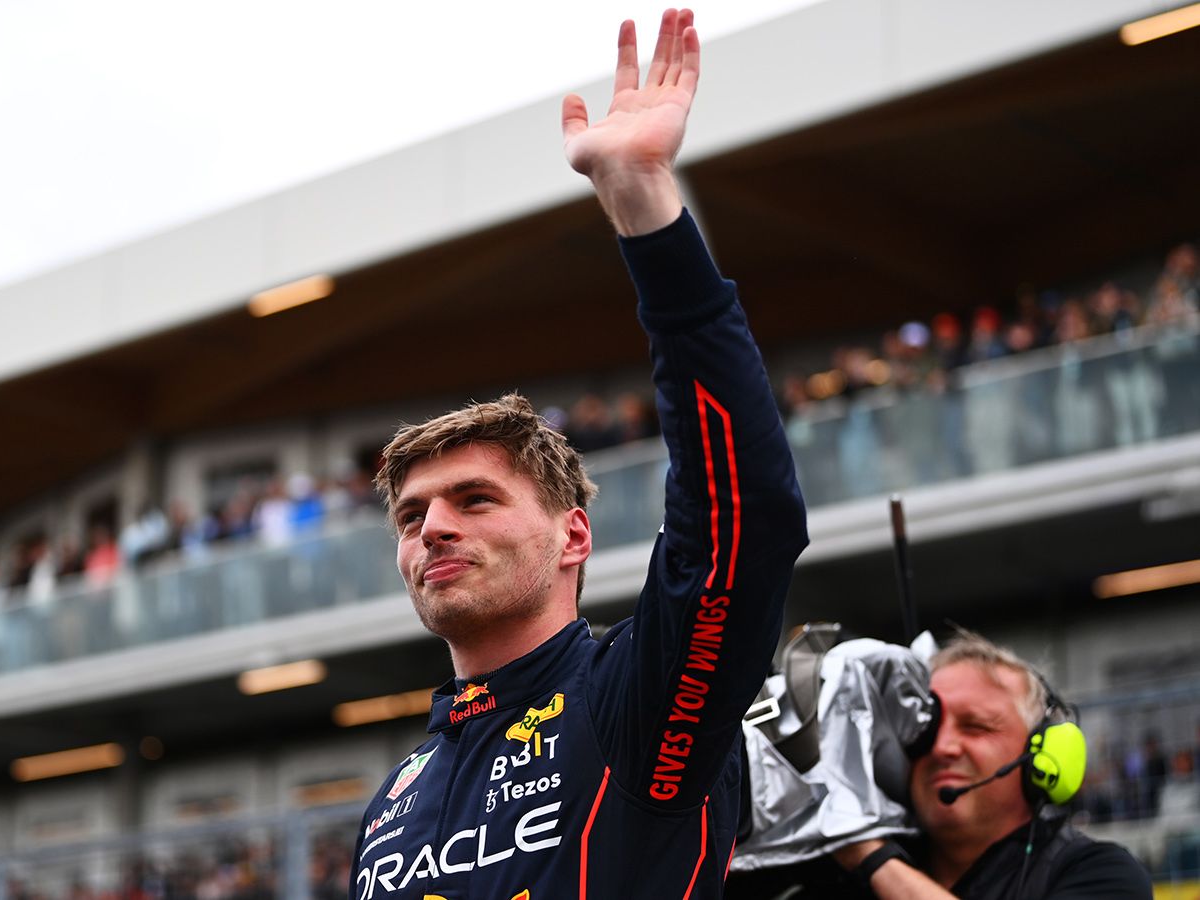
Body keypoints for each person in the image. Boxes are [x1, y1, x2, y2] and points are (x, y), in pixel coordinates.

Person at [349, 10, 808, 898]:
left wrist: (644, 206)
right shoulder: (393, 800)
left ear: (574, 536)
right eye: (411, 516)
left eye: (475, 499)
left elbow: (741, 522)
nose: (432, 529)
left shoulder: (634, 701)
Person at [831, 633, 1151, 898]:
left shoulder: (1099, 872)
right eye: (926, 728)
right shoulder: (840, 868)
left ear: (1038, 753)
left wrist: (872, 857)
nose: (942, 747)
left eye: (976, 727)